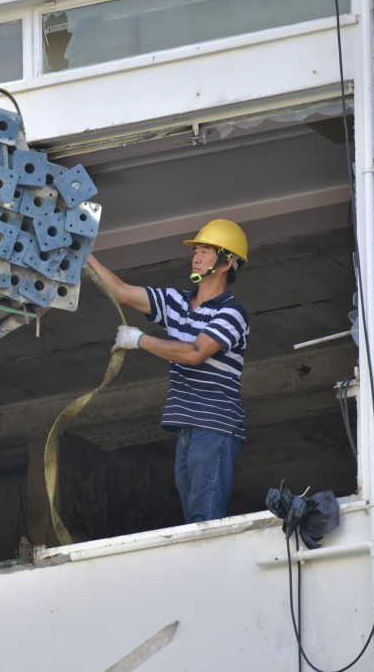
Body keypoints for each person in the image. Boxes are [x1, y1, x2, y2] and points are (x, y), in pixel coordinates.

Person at [87, 218, 250, 523]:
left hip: (213, 426)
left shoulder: (232, 312)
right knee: (193, 519)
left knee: (204, 518)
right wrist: (85, 255)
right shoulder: (178, 303)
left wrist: (140, 340)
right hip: (188, 427)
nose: (196, 256)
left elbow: (195, 353)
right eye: (196, 250)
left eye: (205, 251)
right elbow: (122, 292)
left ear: (227, 263)